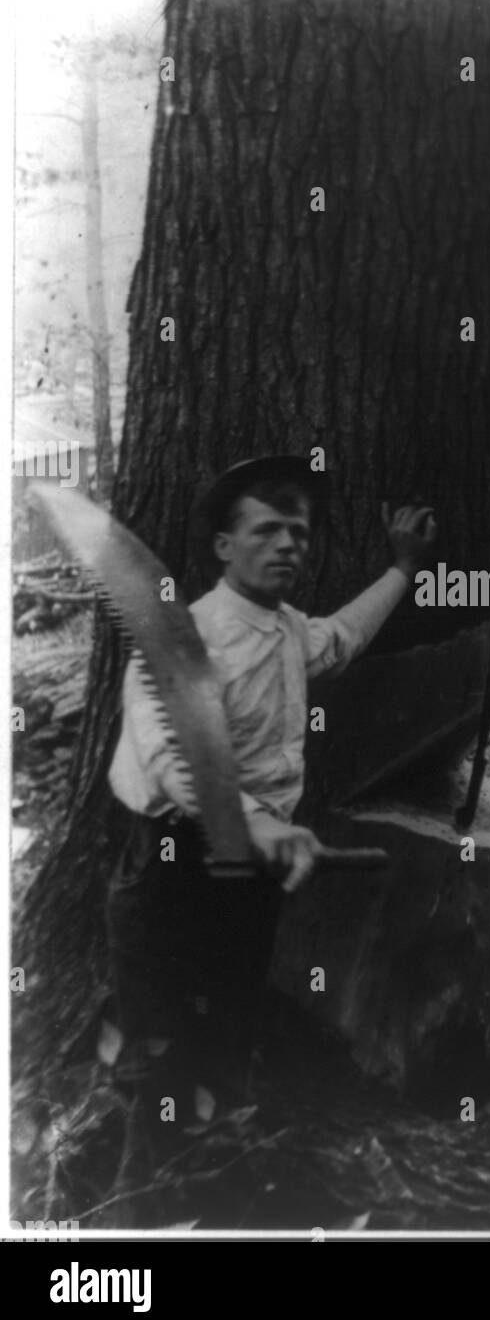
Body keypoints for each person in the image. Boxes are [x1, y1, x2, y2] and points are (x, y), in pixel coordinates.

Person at [106, 455, 436, 1153]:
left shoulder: (286, 628)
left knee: (230, 1020)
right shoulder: (182, 638)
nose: (288, 545)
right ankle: (137, 1206)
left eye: (299, 532)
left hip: (251, 869)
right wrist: (256, 822)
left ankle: (224, 1176)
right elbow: (171, 762)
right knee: (162, 1054)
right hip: (173, 867)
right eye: (266, 531)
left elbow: (340, 638)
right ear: (225, 546)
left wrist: (403, 568)